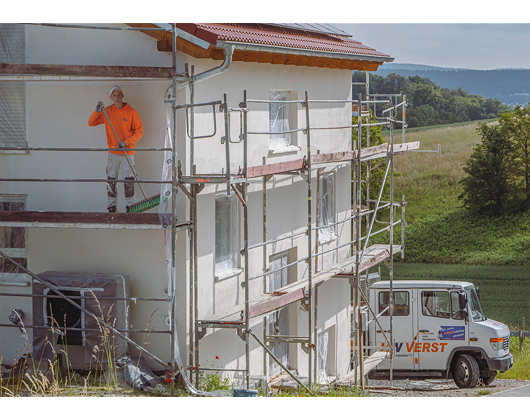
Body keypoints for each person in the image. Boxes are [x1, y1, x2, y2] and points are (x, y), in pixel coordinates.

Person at [88, 85, 143, 212]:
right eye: (114, 95)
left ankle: (131, 206)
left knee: (129, 180)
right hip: (113, 152)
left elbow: (139, 132)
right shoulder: (107, 111)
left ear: (122, 96)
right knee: (111, 180)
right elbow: (91, 123)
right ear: (111, 97)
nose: (117, 98)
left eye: (119, 95)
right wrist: (96, 111)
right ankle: (111, 207)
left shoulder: (131, 112)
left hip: (128, 152)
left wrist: (126, 142)